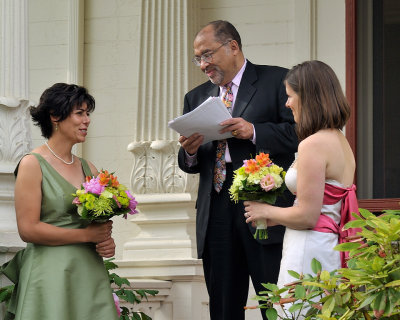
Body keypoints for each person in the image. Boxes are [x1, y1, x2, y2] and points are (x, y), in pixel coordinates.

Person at [178, 20, 298, 320]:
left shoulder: (277, 81)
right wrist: (189, 150)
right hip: (216, 205)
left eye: (207, 54)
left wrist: (254, 130)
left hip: (263, 202)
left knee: (276, 303)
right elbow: (189, 164)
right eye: (198, 58)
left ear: (233, 46)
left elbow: (299, 133)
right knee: (223, 306)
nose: (203, 64)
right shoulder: (195, 97)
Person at [243, 60, 359, 315]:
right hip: (327, 246)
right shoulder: (340, 141)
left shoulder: (313, 144)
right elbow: (323, 209)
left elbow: (308, 216)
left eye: (290, 96)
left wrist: (265, 211)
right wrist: (278, 218)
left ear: (308, 97)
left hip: (309, 248)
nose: (287, 104)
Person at [1, 83, 119, 320]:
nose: (86, 120)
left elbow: (97, 226)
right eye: (79, 113)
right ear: (55, 116)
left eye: (88, 113)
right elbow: (28, 229)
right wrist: (87, 236)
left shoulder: (89, 168)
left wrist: (106, 242)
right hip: (50, 272)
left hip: (87, 272)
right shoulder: (32, 164)